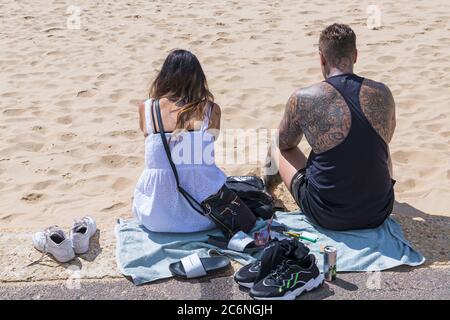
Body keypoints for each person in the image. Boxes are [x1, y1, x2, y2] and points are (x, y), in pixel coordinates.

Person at [266, 23, 396, 230]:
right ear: (355, 56)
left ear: (322, 58)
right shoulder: (383, 93)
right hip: (380, 210)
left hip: (328, 215)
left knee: (276, 143)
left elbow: (285, 143)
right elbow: (386, 138)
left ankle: (268, 189)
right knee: (380, 143)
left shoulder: (303, 97)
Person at [132, 49, 226, 232]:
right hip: (205, 216)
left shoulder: (146, 108)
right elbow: (211, 140)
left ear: (163, 77)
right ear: (199, 78)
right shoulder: (210, 109)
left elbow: (148, 136)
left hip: (154, 216)